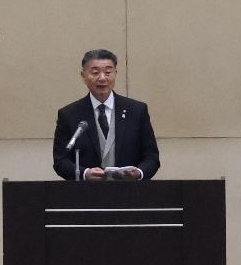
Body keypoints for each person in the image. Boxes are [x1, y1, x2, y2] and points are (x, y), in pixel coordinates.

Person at [51, 48, 160, 181]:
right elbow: (60, 161)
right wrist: (85, 173)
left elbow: (152, 157)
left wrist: (138, 172)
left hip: (130, 193)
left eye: (108, 72)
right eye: (95, 72)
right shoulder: (69, 114)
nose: (102, 78)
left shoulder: (136, 111)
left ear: (115, 73)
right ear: (83, 76)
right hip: (86, 195)